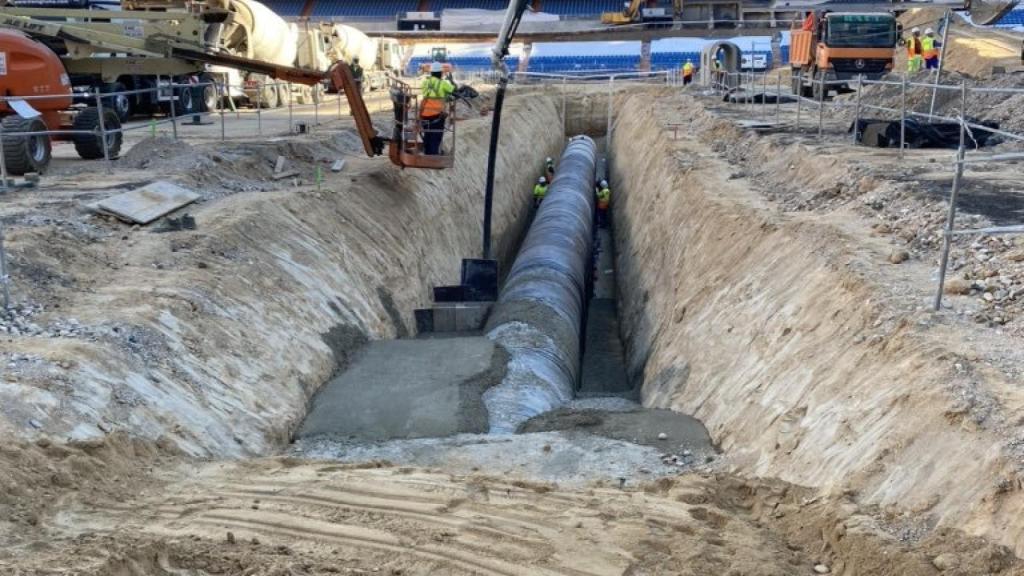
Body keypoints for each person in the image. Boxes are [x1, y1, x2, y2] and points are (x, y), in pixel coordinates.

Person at [420, 61, 455, 156]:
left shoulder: (425, 83)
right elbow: (453, 90)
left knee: (427, 135)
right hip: (437, 115)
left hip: (425, 115)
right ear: (440, 73)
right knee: (436, 136)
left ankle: (427, 154)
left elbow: (425, 95)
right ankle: (433, 156)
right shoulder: (443, 83)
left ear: (431, 72)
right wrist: (451, 81)